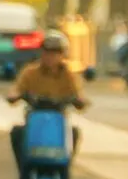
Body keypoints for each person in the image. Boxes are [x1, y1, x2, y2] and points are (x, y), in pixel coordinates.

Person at [7, 30, 88, 170]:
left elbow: (78, 94)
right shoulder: (30, 72)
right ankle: (23, 170)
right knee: (17, 132)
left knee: (74, 133)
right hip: (35, 118)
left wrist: (80, 101)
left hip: (58, 121)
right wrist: (14, 96)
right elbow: (16, 89)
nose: (50, 57)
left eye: (55, 53)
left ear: (63, 55)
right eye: (47, 52)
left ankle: (65, 168)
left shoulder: (69, 75)